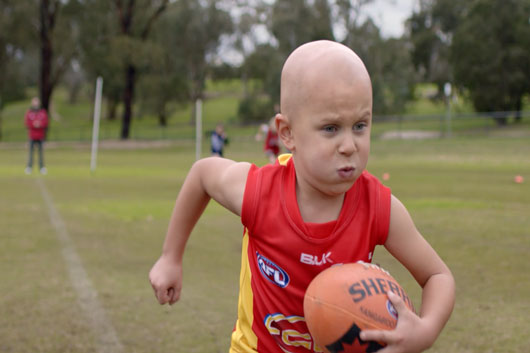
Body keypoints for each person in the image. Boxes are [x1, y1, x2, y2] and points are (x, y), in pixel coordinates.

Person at [149, 40, 455, 353]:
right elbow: (203, 174)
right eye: (331, 128)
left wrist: (426, 330)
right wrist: (170, 256)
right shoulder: (259, 192)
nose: (349, 145)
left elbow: (437, 275)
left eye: (360, 125)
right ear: (287, 134)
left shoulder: (377, 206)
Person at [24, 97, 49, 175]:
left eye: (37, 102)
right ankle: (29, 167)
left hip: (40, 136)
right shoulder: (29, 112)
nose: (35, 104)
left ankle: (42, 167)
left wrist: (40, 124)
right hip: (32, 136)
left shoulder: (43, 112)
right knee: (31, 153)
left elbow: (46, 122)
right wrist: (34, 124)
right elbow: (26, 123)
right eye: (34, 102)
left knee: (41, 153)